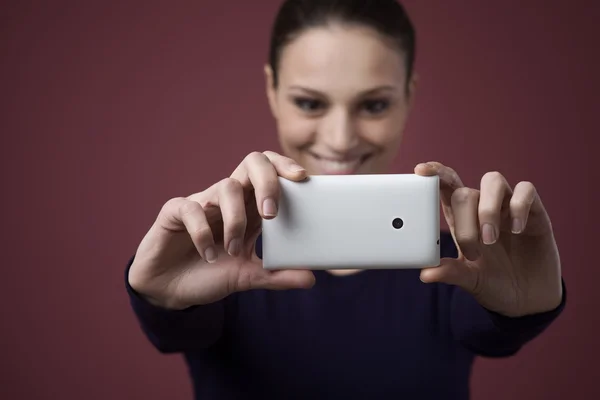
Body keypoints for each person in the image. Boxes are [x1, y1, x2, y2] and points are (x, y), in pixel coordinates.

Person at [125, 0, 566, 398]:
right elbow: (176, 331)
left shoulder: (460, 267)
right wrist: (158, 295)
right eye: (309, 103)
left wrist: (530, 303)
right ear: (271, 90)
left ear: (408, 96)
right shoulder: (221, 259)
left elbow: (496, 330)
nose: (340, 140)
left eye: (373, 105)